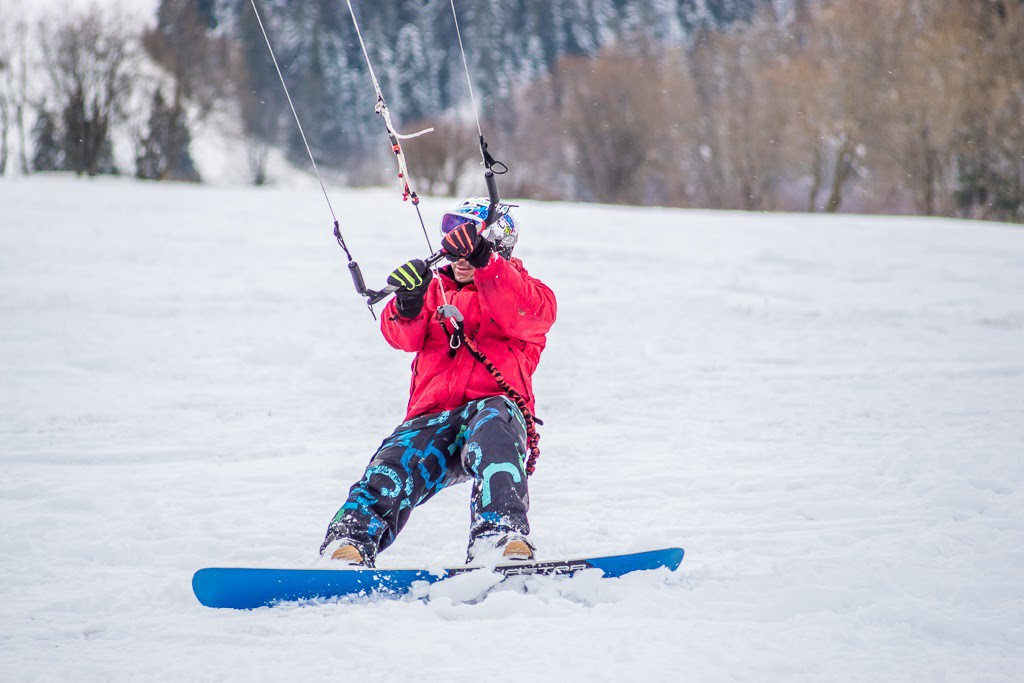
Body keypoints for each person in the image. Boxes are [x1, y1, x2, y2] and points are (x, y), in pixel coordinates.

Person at [320, 198, 557, 567]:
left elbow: (527, 315)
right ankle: (349, 542)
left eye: (470, 246)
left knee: (494, 434)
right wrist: (408, 303)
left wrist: (486, 263)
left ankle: (498, 537)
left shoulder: (526, 292)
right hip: (432, 416)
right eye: (454, 244)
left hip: (492, 410)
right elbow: (401, 338)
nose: (460, 258)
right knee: (392, 465)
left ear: (498, 245)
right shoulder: (434, 291)